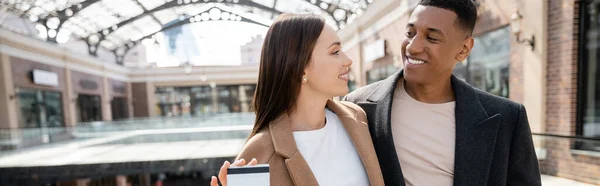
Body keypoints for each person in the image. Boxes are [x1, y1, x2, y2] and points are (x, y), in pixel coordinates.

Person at [343, 0, 542, 186]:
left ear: (464, 49)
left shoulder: (507, 118)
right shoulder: (358, 107)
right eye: (410, 33)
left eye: (431, 38)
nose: (413, 47)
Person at [210, 13, 385, 186]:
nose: (348, 60)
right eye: (335, 52)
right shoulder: (260, 153)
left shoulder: (357, 119)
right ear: (301, 68)